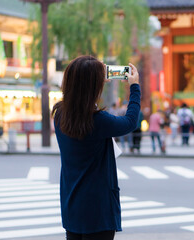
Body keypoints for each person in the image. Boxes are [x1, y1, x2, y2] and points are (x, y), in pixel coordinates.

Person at [52, 56, 140, 240]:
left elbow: (80, 96)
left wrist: (95, 74)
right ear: (93, 86)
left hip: (72, 206)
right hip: (98, 212)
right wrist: (134, 87)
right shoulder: (98, 121)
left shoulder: (59, 115)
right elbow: (130, 122)